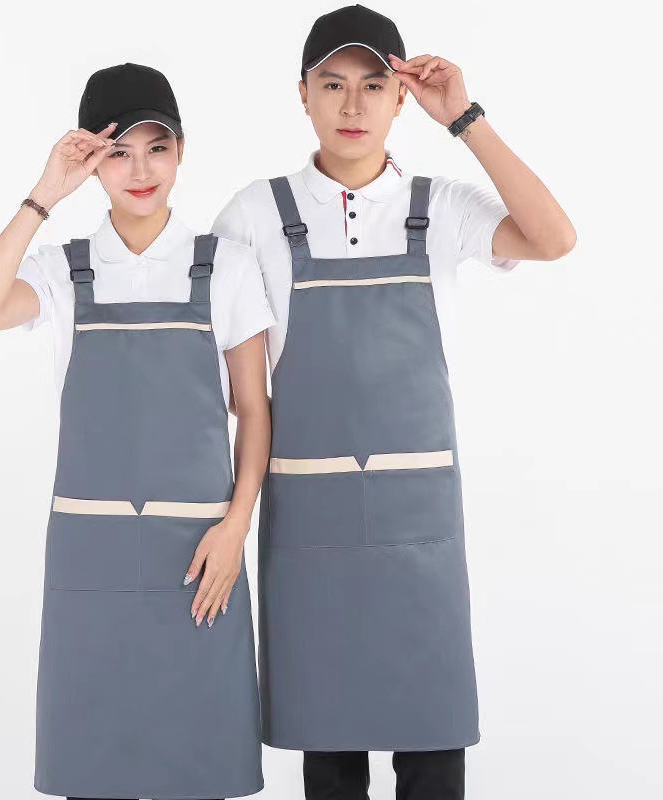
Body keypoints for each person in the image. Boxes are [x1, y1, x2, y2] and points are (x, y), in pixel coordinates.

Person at [211, 5, 576, 799]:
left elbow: (554, 239)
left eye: (374, 85)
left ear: (402, 97)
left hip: (419, 522)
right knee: (330, 756)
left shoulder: (439, 208)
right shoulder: (252, 218)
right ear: (302, 93)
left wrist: (466, 119)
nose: (353, 105)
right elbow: (232, 394)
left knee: (433, 748)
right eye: (332, 84)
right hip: (309, 522)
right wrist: (227, 516)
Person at [0, 62, 274, 800]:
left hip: (198, 558)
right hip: (91, 559)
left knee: (197, 772)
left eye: (156, 148)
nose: (141, 171)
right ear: (93, 162)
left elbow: (255, 410)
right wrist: (44, 195)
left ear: (181, 151)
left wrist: (236, 527)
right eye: (119, 153)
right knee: (93, 772)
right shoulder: (64, 272)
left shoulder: (225, 267)